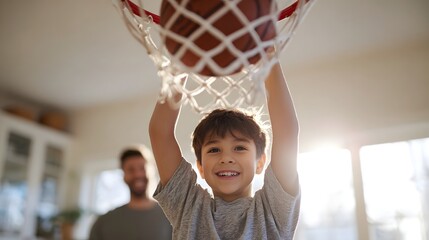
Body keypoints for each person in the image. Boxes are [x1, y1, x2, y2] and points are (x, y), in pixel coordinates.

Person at [149, 63, 300, 239]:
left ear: (260, 162)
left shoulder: (274, 210)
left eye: (239, 148)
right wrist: (180, 65)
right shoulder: (188, 206)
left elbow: (287, 131)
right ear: (201, 167)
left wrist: (269, 61)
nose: (226, 158)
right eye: (214, 150)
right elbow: (160, 133)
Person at [89, 145, 172, 240]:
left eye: (142, 168)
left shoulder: (171, 218)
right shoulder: (104, 222)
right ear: (123, 175)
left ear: (152, 171)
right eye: (131, 170)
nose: (137, 174)